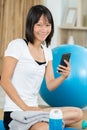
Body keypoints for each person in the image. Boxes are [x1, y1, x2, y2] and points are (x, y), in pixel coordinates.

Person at [0, 4, 83, 130]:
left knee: (78, 113)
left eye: (47, 25)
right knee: (43, 128)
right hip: (16, 112)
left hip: (36, 111)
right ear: (30, 25)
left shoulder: (47, 51)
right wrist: (26, 108)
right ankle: (50, 123)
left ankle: (48, 121)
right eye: (39, 25)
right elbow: (4, 81)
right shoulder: (17, 46)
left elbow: (50, 84)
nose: (43, 29)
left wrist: (63, 76)